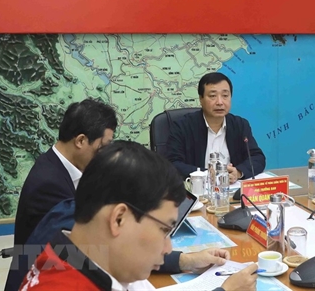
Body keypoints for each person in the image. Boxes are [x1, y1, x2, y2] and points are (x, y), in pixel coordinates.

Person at [19, 141, 258, 291]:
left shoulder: (72, 250)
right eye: (164, 230)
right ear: (119, 219)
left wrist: (186, 260)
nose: (167, 247)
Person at [14, 98, 117, 248]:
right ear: (80, 141)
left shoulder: (60, 164)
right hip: (40, 265)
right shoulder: (48, 185)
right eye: (101, 148)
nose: (103, 156)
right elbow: (84, 243)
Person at [165, 72, 265, 183]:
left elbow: (257, 158)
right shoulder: (182, 126)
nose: (220, 102)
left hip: (231, 191)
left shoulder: (240, 125)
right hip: (197, 191)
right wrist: (207, 174)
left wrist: (238, 172)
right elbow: (172, 163)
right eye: (212, 96)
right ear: (201, 99)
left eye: (225, 96)